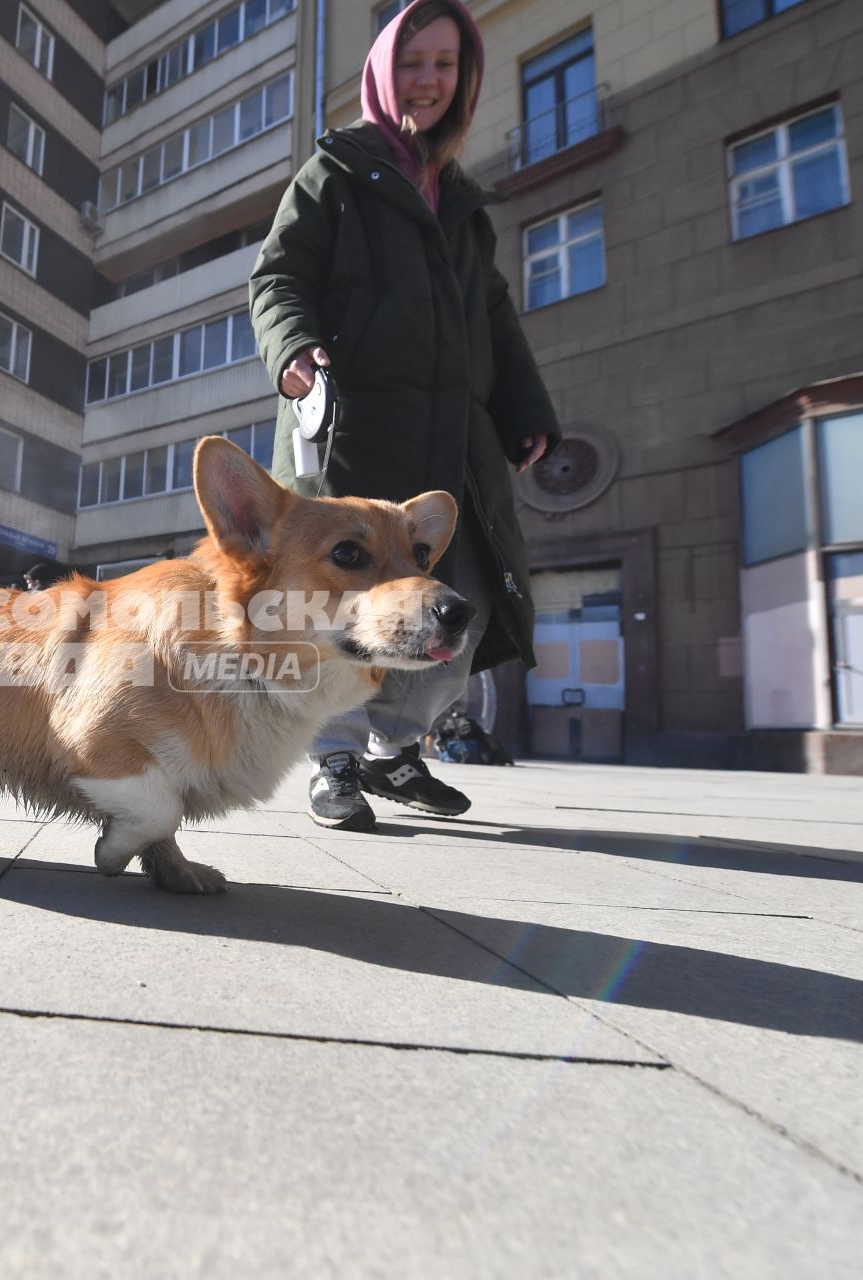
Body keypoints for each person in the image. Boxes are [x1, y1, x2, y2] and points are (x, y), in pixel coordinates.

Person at [248, 0, 561, 831]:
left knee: (465, 599)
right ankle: (336, 758)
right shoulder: (336, 173)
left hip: (453, 445)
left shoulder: (462, 205)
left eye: (446, 65)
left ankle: (396, 752)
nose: (428, 81)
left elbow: (493, 316)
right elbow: (276, 277)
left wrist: (526, 408)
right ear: (385, 71)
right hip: (351, 428)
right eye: (414, 62)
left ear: (464, 80)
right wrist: (294, 349)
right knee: (345, 602)